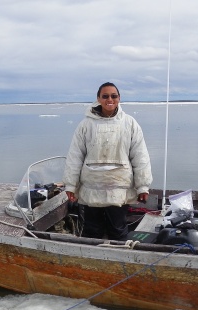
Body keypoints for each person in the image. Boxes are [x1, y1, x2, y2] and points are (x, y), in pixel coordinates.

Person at [63, 82, 153, 240]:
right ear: (98, 98)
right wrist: (70, 185)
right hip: (91, 188)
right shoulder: (85, 125)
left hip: (119, 189)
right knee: (91, 231)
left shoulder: (130, 123)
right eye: (105, 96)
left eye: (114, 96)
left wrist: (143, 186)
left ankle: (119, 261)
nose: (109, 99)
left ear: (119, 98)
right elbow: (75, 156)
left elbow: (140, 156)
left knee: (118, 230)